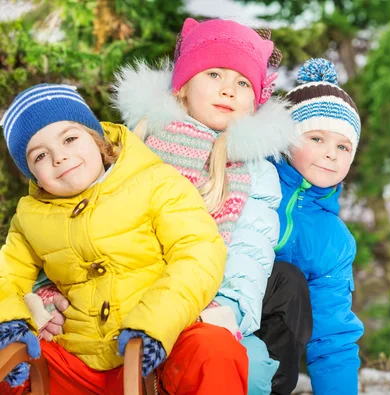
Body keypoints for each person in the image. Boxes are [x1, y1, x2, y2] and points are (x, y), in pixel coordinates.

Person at [0, 83, 247, 395]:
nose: (60, 157)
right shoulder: (30, 216)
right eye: (40, 156)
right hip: (77, 357)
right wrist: (10, 323)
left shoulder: (156, 182)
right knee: (13, 361)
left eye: (70, 139)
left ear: (96, 138)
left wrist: (155, 325)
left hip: (159, 346)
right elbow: (8, 276)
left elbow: (198, 251)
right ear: (32, 175)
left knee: (213, 350)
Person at [112, 18, 312, 394]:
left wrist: (228, 309)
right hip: (133, 294)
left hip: (211, 305)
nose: (228, 90)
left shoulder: (254, 171)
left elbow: (249, 252)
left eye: (242, 83)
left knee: (252, 371)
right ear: (184, 87)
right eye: (214, 74)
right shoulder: (139, 145)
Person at [270, 58, 365, 395]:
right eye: (316, 138)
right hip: (213, 322)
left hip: (271, 356)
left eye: (343, 146)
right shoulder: (250, 181)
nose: (331, 154)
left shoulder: (334, 240)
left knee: (293, 284)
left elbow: (332, 335)